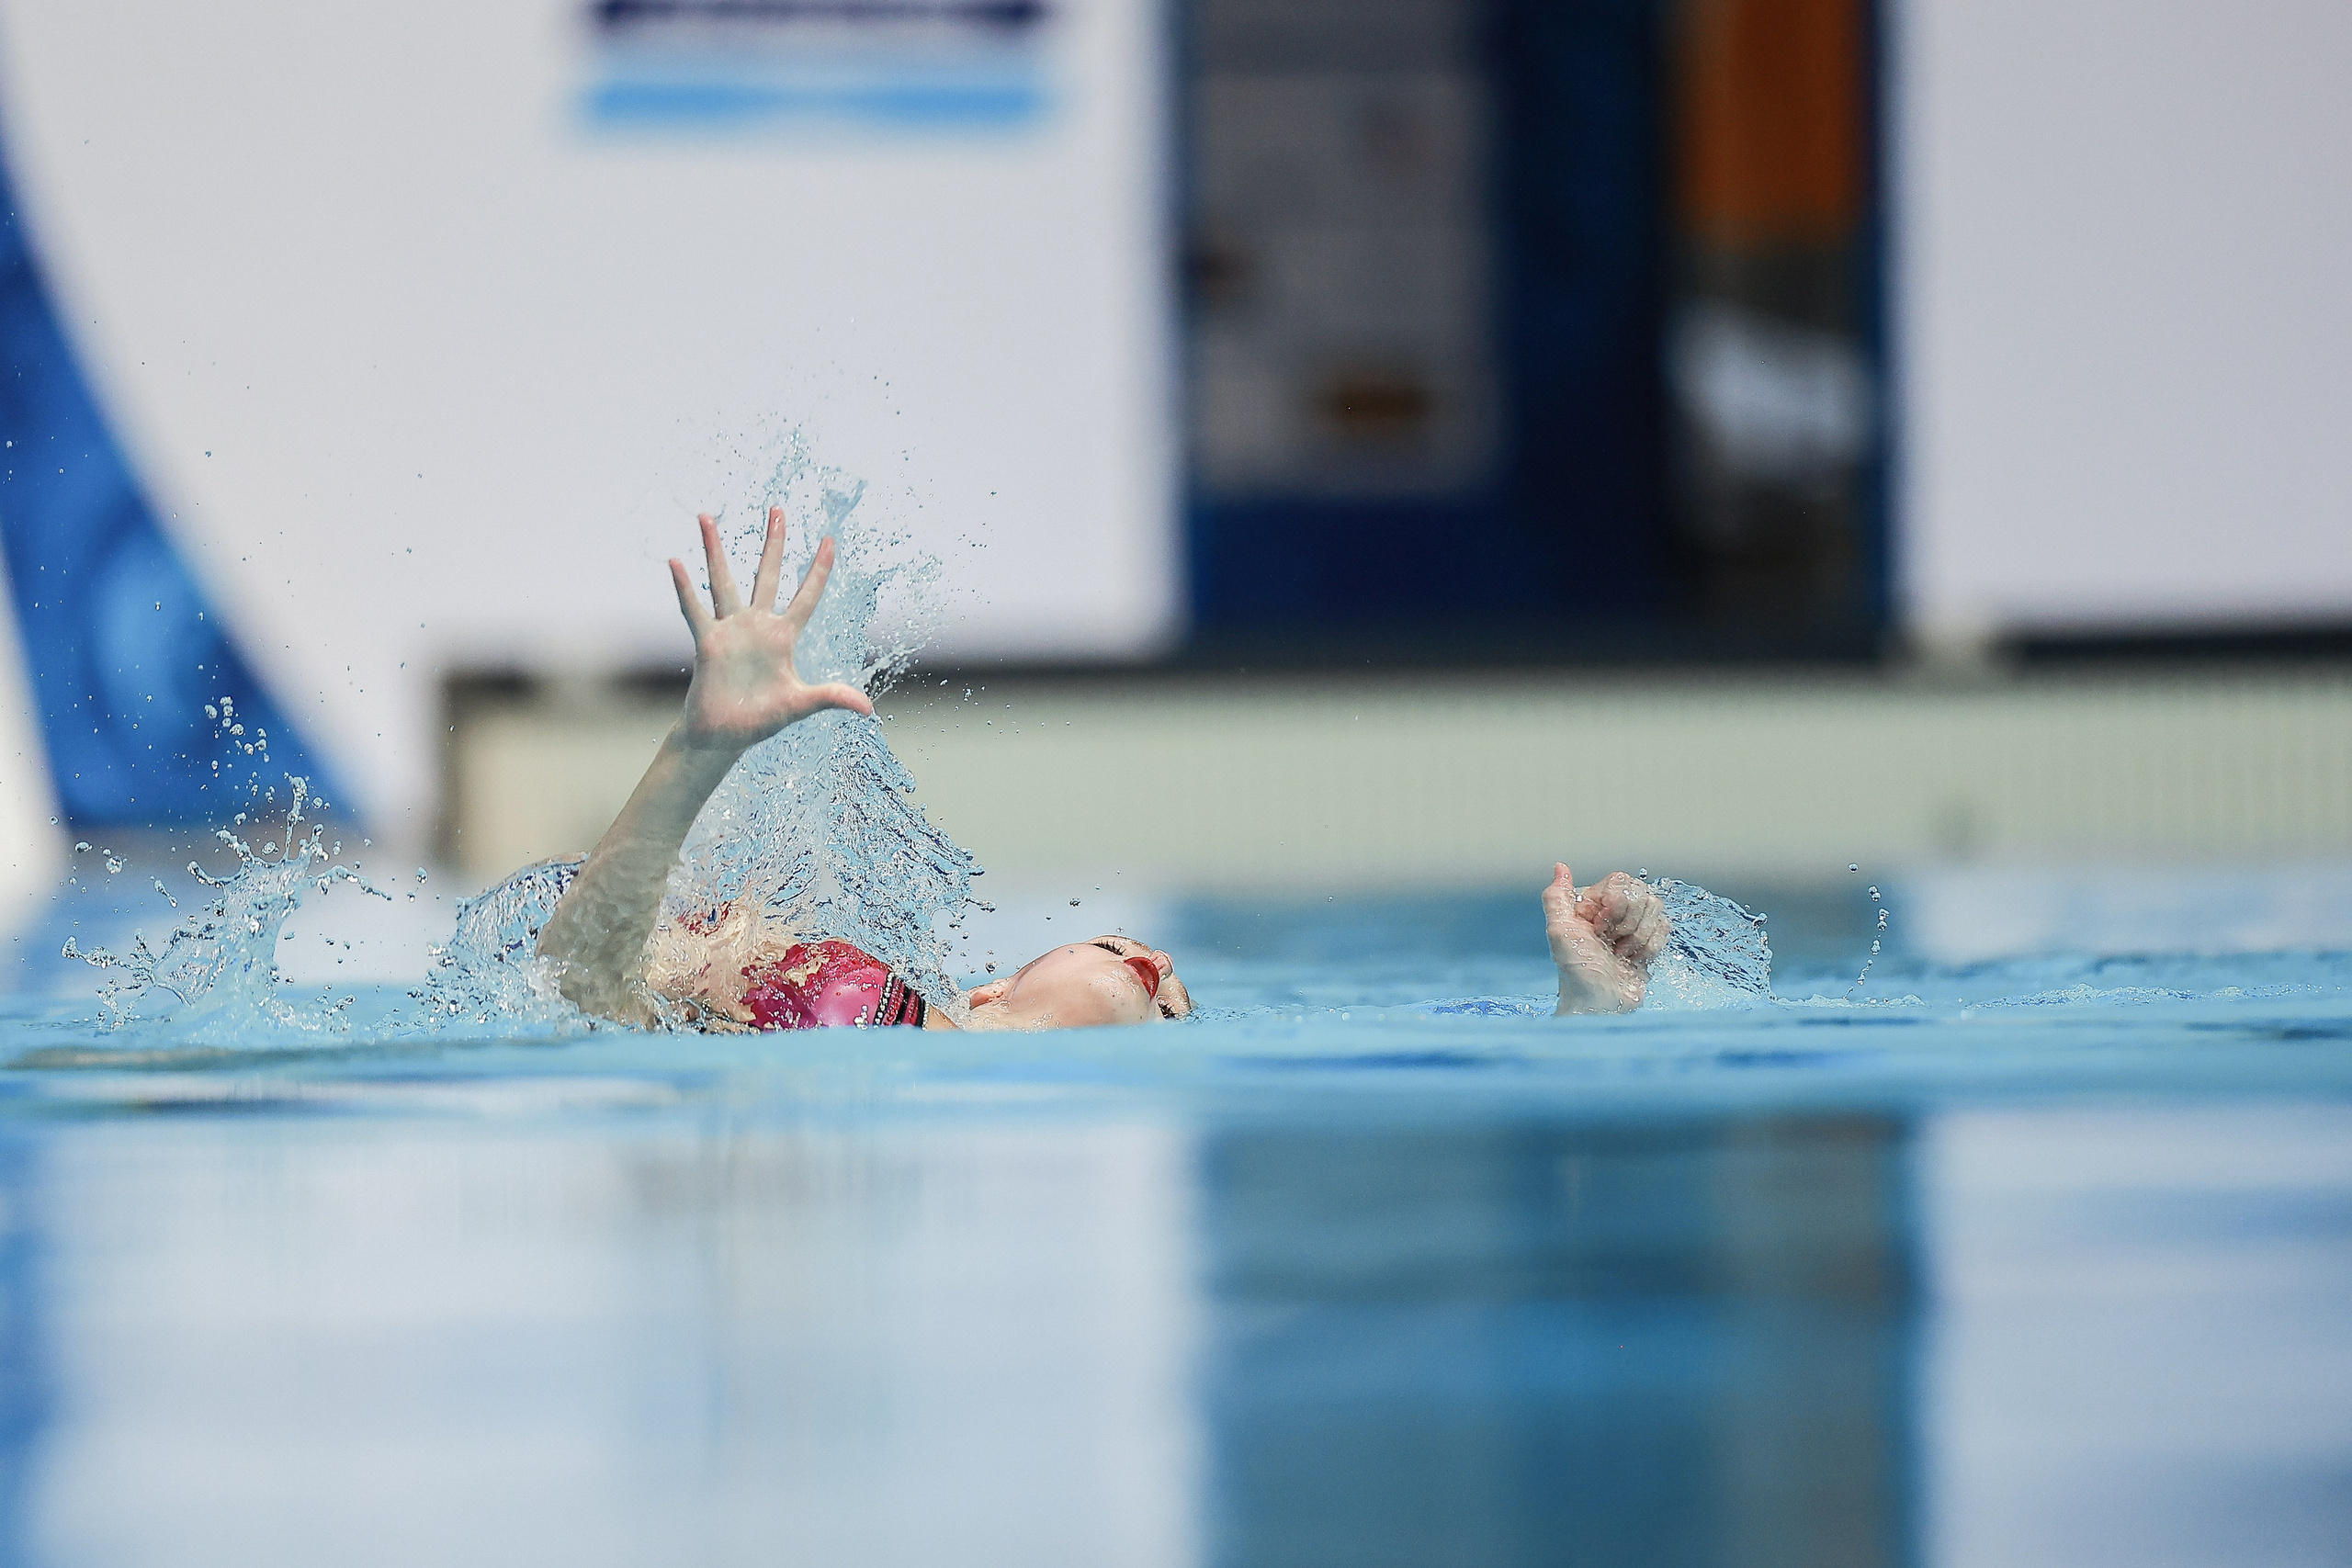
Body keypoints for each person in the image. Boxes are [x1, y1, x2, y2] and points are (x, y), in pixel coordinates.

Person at [532, 510, 1668, 1032]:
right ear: (991, 988)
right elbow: (580, 988)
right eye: (1135, 960)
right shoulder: (895, 1009)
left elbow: (1437, 1050)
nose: (1160, 965)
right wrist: (697, 753)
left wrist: (1586, 1009)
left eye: (1160, 997)